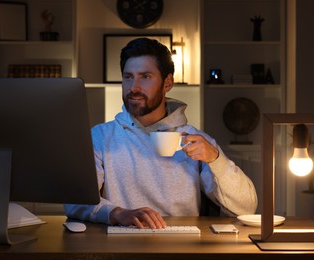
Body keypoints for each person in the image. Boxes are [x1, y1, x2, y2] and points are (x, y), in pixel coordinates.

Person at [64, 38, 257, 229]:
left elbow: (246, 208)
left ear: (168, 83)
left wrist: (216, 160)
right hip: (120, 243)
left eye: (145, 76)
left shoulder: (197, 141)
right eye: (128, 77)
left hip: (182, 244)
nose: (133, 87)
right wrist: (117, 213)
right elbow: (73, 201)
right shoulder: (100, 137)